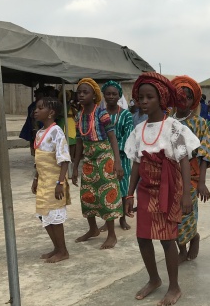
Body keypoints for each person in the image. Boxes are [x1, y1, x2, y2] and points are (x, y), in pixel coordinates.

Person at [123, 72, 198, 306]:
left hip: (169, 188)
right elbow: (137, 163)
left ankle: (174, 286)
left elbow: (184, 160)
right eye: (141, 98)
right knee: (143, 237)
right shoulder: (139, 130)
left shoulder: (173, 127)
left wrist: (186, 195)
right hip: (146, 189)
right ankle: (154, 279)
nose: (144, 101)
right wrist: (129, 193)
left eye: (150, 97)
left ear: (161, 99)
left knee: (167, 239)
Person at [71, 78, 124, 250]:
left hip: (104, 158)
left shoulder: (102, 113)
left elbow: (112, 137)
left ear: (94, 95)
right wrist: (75, 166)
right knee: (88, 194)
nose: (81, 95)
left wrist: (117, 162)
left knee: (107, 194)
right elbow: (79, 142)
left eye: (85, 92)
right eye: (79, 92)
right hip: (88, 159)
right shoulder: (78, 116)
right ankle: (93, 229)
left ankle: (111, 235)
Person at [171, 75, 210, 263]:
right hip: (170, 173)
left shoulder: (200, 122)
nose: (184, 101)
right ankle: (182, 245)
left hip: (192, 174)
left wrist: (202, 182)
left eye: (189, 97)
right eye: (181, 96)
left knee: (186, 212)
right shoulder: (167, 121)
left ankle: (191, 239)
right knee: (172, 214)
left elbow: (205, 153)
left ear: (193, 100)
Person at [31, 97, 71, 263]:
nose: (36, 111)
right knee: (44, 215)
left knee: (54, 215)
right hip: (43, 181)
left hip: (54, 181)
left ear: (51, 113)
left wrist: (60, 183)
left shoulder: (56, 132)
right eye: (36, 108)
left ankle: (63, 251)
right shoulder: (40, 133)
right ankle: (56, 247)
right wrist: (36, 178)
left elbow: (64, 160)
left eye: (40, 108)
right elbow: (39, 161)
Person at [100, 80, 135, 231]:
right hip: (104, 156)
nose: (111, 96)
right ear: (104, 95)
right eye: (108, 94)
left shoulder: (126, 115)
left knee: (122, 186)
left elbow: (128, 136)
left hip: (122, 156)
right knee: (106, 187)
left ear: (119, 95)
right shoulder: (100, 114)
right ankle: (108, 219)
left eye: (114, 94)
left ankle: (122, 218)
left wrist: (116, 152)